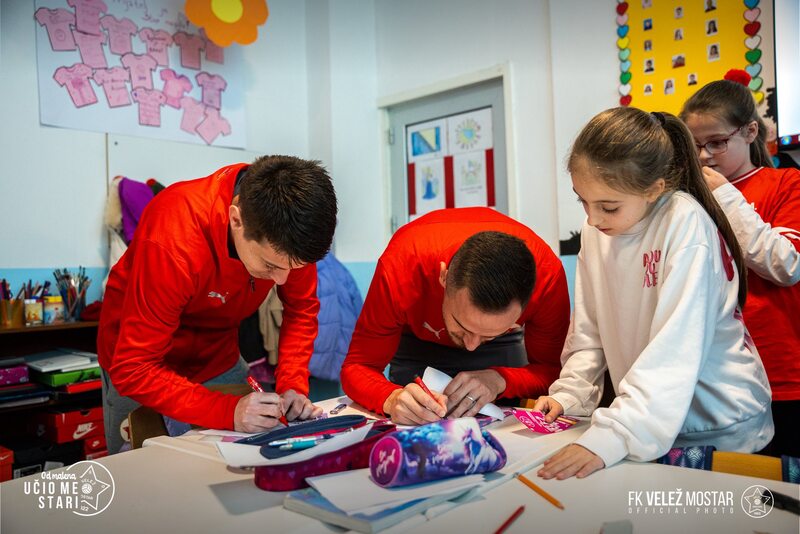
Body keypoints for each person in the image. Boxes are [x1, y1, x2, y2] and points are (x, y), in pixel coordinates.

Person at [534, 107, 773, 480]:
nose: (593, 218)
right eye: (583, 201)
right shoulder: (598, 230)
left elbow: (673, 349)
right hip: (651, 419)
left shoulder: (684, 222)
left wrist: (614, 435)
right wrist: (570, 394)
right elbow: (589, 332)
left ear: (654, 189)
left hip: (719, 424)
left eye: (608, 206)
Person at [98, 155, 338, 453]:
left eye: (294, 268)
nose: (282, 280)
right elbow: (134, 367)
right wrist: (228, 411)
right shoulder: (174, 234)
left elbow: (301, 310)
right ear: (236, 220)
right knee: (140, 471)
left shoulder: (288, 236)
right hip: (140, 365)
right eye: (270, 266)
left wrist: (292, 384)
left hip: (217, 356)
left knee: (241, 459)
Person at [341, 207, 570, 425]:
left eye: (489, 334)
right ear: (443, 277)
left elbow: (554, 371)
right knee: (411, 413)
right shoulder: (403, 264)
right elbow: (357, 366)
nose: (471, 346)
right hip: (418, 346)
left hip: (502, 353)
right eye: (462, 326)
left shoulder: (547, 275)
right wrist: (391, 398)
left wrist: (502, 380)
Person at [681, 70, 800, 457]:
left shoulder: (786, 183)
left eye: (717, 143)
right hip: (719, 380)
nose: (704, 156)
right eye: (695, 145)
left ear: (750, 132)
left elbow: (787, 265)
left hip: (783, 373)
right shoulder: (691, 200)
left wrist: (726, 197)